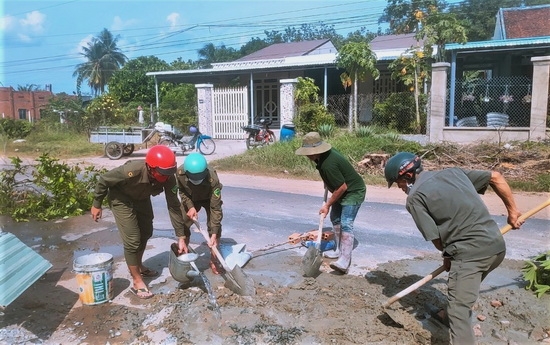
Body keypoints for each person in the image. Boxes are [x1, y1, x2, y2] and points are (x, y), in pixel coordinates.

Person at [384, 152, 523, 345]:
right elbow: (496, 177)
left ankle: (455, 321)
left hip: (470, 256)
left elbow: (436, 239)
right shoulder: (453, 173)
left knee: (459, 309)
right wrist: (513, 211)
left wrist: (449, 254)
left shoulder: (415, 198)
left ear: (407, 176)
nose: (400, 188)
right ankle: (446, 318)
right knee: (461, 291)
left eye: (398, 183)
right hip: (496, 248)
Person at [90, 145, 188, 299]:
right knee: (133, 240)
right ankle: (137, 281)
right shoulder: (131, 171)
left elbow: (174, 205)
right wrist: (97, 204)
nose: (166, 176)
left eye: (170, 172)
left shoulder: (168, 175)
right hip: (121, 199)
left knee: (146, 231)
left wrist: (181, 236)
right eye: (163, 173)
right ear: (150, 167)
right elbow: (104, 180)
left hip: (141, 199)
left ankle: (139, 266)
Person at [295, 132, 366, 274]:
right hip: (340, 190)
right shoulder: (323, 157)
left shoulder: (328, 163)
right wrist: (327, 181)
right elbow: (334, 178)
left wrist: (327, 205)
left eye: (308, 153)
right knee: (335, 219)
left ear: (315, 151)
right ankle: (339, 250)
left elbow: (342, 187)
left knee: (346, 223)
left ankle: (345, 260)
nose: (307, 156)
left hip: (353, 191)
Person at [176, 152, 225, 274]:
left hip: (209, 198)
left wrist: (213, 233)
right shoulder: (180, 173)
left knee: (215, 227)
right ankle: (185, 257)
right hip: (191, 198)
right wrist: (190, 206)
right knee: (183, 223)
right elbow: (182, 191)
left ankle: (214, 260)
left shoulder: (212, 178)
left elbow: (215, 208)